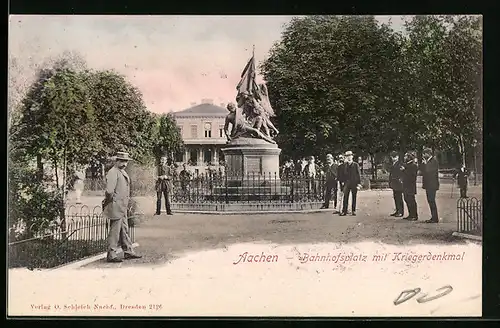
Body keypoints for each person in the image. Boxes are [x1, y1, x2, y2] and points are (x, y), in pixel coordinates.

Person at [102, 151, 142, 263]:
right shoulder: (113, 172)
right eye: (122, 161)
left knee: (124, 229)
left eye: (126, 161)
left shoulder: (121, 172)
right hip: (115, 205)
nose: (124, 163)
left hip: (122, 206)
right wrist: (111, 202)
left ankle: (128, 251)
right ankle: (111, 254)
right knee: (115, 231)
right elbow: (109, 191)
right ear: (117, 161)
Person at [340, 151, 361, 216]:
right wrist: (342, 182)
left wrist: (359, 183)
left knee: (354, 197)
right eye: (347, 156)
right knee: (345, 197)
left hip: (354, 183)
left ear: (352, 156)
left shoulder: (355, 165)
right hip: (347, 183)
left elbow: (358, 174)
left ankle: (353, 210)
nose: (349, 157)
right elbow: (342, 175)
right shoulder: (344, 165)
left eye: (350, 155)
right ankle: (344, 211)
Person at [421, 148, 440, 223]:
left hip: (432, 184)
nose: (423, 155)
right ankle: (433, 217)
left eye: (424, 154)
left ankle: (435, 218)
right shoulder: (428, 161)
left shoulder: (434, 161)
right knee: (430, 201)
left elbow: (428, 171)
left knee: (432, 201)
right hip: (428, 184)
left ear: (428, 154)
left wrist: (425, 164)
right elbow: (423, 171)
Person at [401, 151, 418, 221]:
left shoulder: (413, 165)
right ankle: (410, 214)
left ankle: (414, 215)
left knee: (411, 200)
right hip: (406, 185)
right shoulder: (407, 165)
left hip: (410, 186)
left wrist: (404, 170)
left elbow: (412, 176)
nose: (404, 158)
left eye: (406, 156)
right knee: (407, 199)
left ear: (409, 157)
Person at [388, 151, 404, 217]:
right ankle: (397, 210)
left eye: (394, 157)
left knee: (399, 197)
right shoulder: (393, 164)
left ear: (397, 157)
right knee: (395, 197)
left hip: (398, 183)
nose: (393, 158)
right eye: (392, 157)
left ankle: (400, 211)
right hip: (394, 183)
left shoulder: (400, 164)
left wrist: (401, 179)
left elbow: (402, 173)